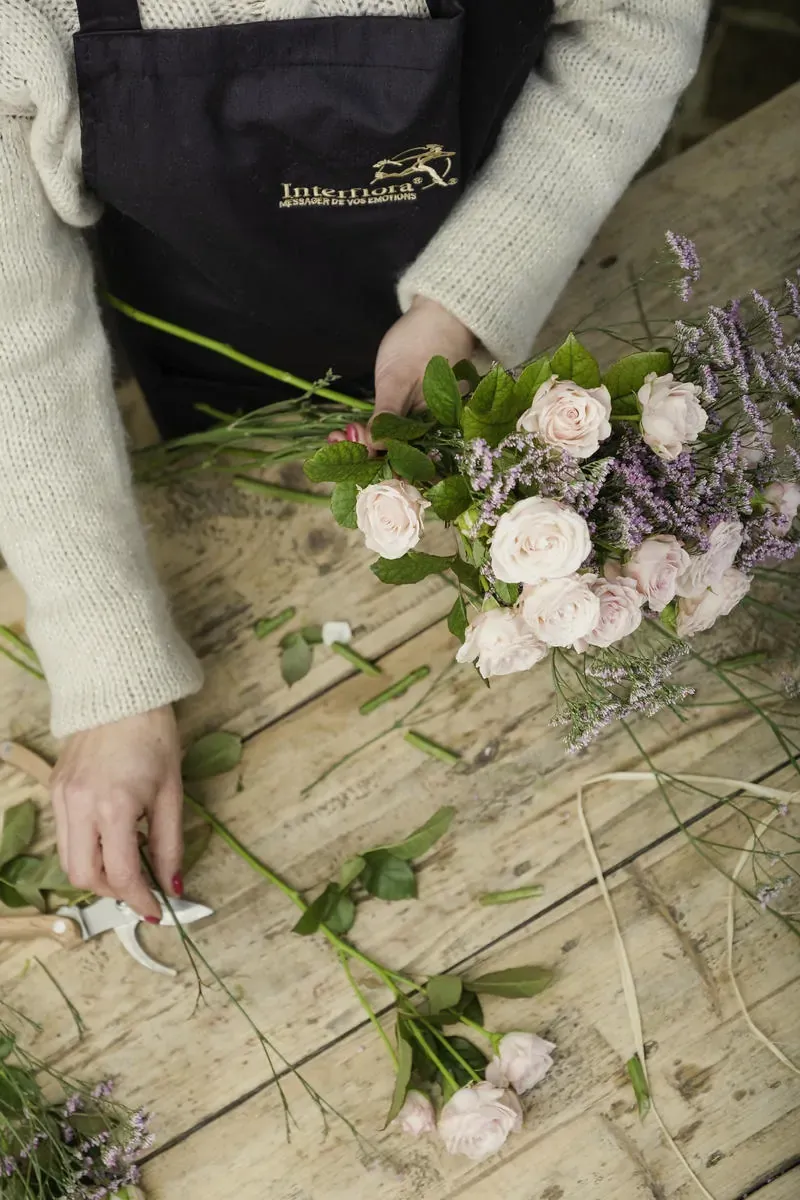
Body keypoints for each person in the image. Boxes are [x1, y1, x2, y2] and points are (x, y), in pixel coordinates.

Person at [0, 0, 709, 918]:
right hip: (207, 350)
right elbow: (17, 341)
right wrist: (109, 677)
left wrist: (469, 300)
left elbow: (640, 26)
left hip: (505, 285)